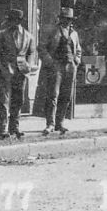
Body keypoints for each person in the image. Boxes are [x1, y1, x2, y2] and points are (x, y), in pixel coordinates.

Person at [37, 8, 81, 136]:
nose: (67, 21)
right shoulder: (51, 31)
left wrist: (76, 60)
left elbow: (78, 49)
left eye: (69, 19)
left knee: (66, 96)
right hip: (56, 66)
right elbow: (41, 48)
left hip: (70, 67)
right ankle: (50, 124)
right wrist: (50, 62)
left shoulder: (74, 34)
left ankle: (60, 123)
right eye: (65, 19)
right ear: (60, 19)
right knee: (53, 95)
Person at [0, 9, 34, 139]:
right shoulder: (1, 34)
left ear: (20, 21)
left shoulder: (28, 36)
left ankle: (14, 128)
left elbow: (31, 53)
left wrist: (28, 65)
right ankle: (2, 129)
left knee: (19, 100)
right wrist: (0, 67)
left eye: (15, 20)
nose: (13, 23)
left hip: (21, 71)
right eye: (11, 20)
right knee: (3, 100)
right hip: (6, 70)